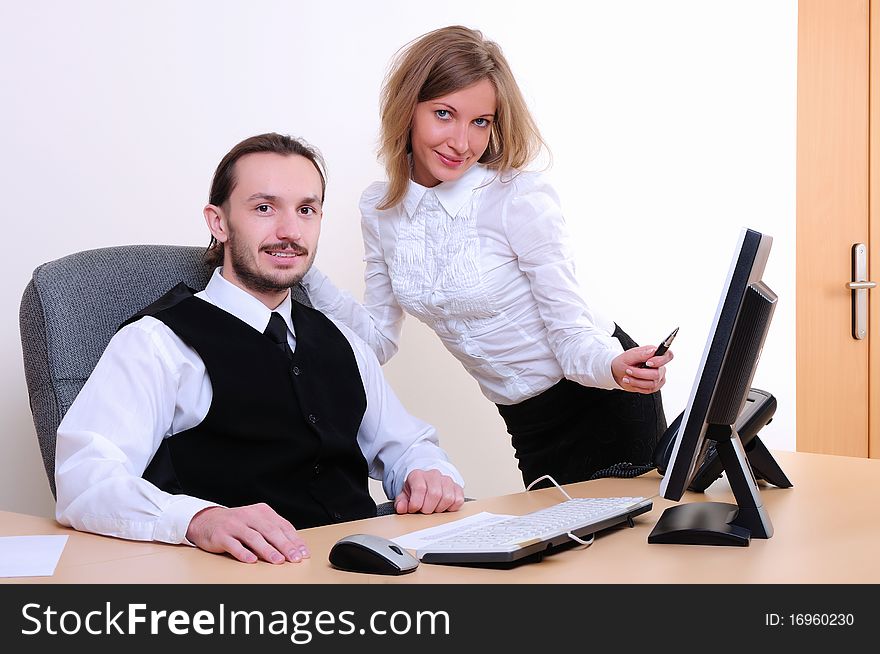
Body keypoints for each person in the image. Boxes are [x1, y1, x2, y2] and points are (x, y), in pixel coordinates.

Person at [54, 132, 465, 565]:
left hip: (359, 575)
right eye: (264, 208)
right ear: (218, 222)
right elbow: (85, 479)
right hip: (237, 591)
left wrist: (426, 473)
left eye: (306, 210)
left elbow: (406, 444)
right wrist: (199, 519)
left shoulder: (342, 341)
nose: (289, 232)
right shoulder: (157, 343)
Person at [303, 25, 673, 489]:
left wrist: (613, 367)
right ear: (407, 111)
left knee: (626, 556)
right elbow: (377, 342)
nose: (462, 141)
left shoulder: (517, 198)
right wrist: (305, 273)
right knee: (560, 553)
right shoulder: (380, 210)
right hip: (527, 422)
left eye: (481, 121)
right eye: (444, 114)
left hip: (601, 398)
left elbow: (570, 332)